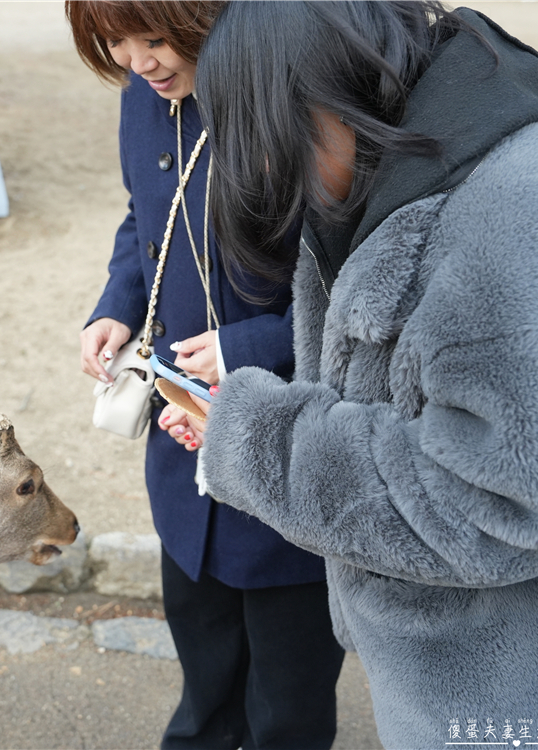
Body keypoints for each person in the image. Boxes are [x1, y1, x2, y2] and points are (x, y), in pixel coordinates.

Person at [187, 3, 538, 748]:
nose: (267, 170)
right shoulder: (393, 180)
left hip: (531, 704)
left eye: (268, 140)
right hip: (467, 681)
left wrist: (253, 439)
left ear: (325, 97)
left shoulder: (507, 213)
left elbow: (502, 502)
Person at [67, 3, 345, 748]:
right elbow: (143, 218)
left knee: (288, 694)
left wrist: (250, 345)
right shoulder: (143, 96)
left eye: (153, 38)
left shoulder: (299, 98)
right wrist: (117, 305)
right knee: (203, 655)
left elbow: (353, 281)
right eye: (116, 42)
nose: (137, 61)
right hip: (182, 432)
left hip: (286, 435)